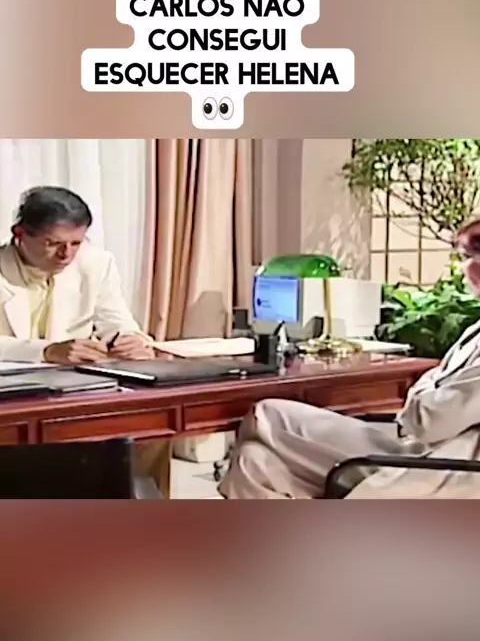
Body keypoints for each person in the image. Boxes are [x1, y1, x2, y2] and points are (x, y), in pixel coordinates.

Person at [219, 213, 480, 499]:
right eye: (467, 255)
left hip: (444, 471)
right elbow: (430, 401)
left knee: (263, 426)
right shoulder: (475, 330)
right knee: (255, 455)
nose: (471, 267)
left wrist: (423, 392)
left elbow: (429, 421)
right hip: (418, 453)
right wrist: (426, 394)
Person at [0, 186, 155, 363]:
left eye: (76, 243)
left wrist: (129, 340)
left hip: (77, 377)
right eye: (53, 243)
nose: (66, 254)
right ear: (19, 233)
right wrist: (46, 352)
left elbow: (116, 322)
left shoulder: (96, 264)